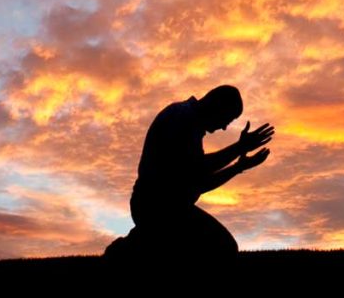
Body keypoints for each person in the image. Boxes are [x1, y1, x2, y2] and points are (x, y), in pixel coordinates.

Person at [104, 84, 274, 263]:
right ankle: (128, 250)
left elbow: (199, 182)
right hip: (157, 208)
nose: (224, 127)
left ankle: (136, 244)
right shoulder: (183, 119)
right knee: (222, 247)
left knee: (222, 246)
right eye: (228, 119)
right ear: (216, 106)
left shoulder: (189, 122)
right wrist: (239, 147)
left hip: (169, 208)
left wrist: (237, 167)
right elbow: (199, 168)